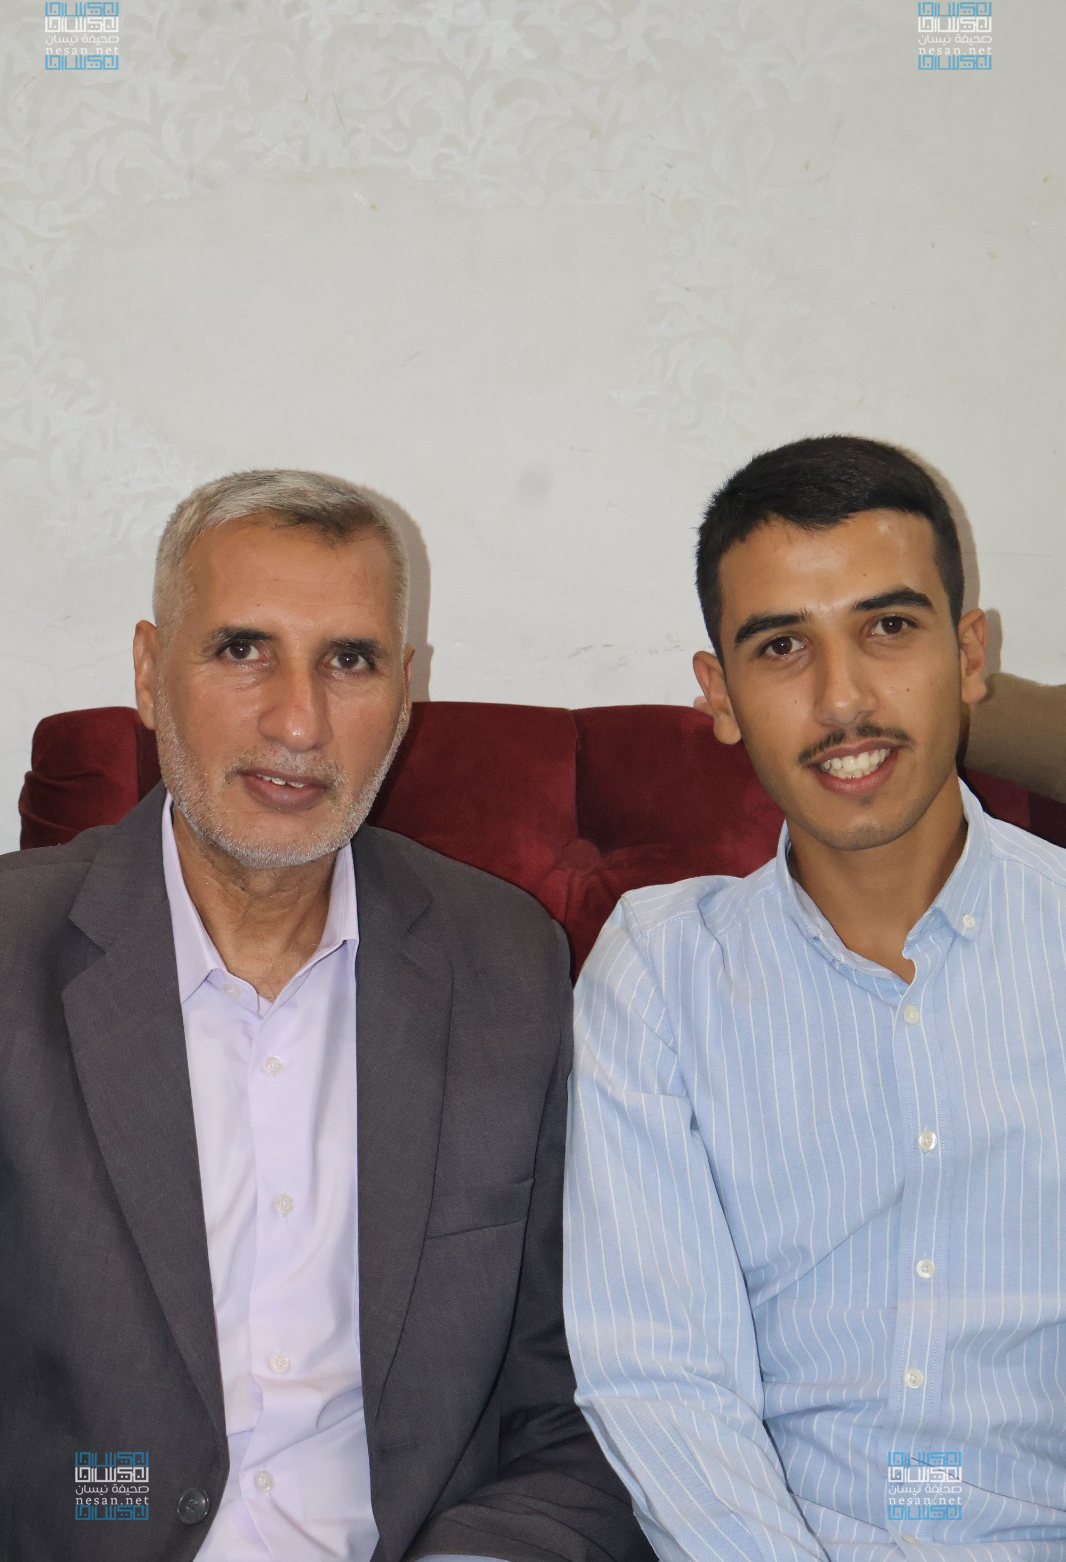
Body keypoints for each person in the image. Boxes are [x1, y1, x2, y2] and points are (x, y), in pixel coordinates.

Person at [0, 470, 652, 1562]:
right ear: (150, 675)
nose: (299, 720)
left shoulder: (504, 966)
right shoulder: (12, 955)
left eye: (349, 661)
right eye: (242, 649)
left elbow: (578, 1401)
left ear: (406, 689)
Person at [564, 436, 1066, 1560]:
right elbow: (658, 1375)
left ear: (969, 654)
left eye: (888, 628)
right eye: (783, 646)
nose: (844, 699)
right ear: (721, 696)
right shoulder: (661, 971)